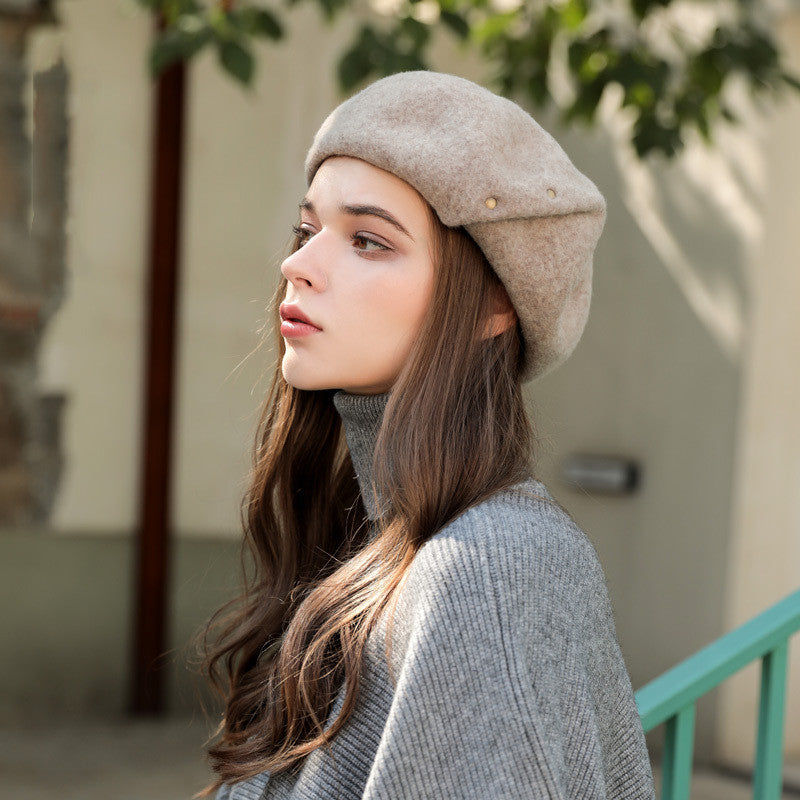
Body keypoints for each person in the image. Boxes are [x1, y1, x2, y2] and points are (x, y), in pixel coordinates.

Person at [200, 70, 657, 800]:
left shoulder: (493, 568)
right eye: (307, 229)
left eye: (369, 241)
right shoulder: (368, 543)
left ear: (494, 307)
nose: (297, 266)